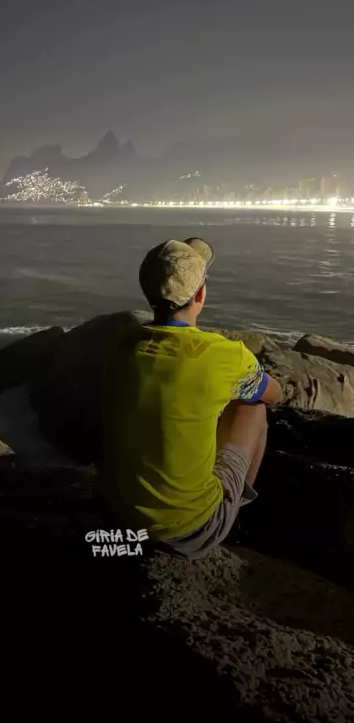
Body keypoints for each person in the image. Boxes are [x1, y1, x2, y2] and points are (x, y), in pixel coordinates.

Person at [97, 237, 283, 559]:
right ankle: (234, 510)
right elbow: (274, 393)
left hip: (116, 515)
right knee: (253, 407)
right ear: (200, 294)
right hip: (190, 530)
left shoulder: (121, 345)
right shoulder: (222, 355)